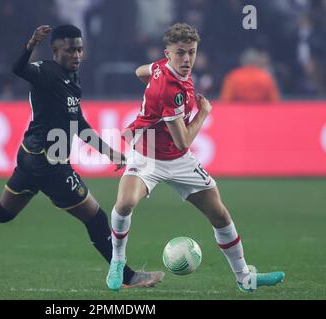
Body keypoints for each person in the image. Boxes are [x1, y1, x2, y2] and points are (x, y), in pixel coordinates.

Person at [0, 24, 164, 289]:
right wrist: (29, 46)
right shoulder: (46, 72)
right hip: (48, 163)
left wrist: (110, 153)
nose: (77, 55)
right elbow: (18, 69)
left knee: (3, 211)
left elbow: (79, 124)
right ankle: (128, 277)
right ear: (55, 50)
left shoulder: (72, 79)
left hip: (31, 156)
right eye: (71, 50)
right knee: (96, 218)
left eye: (80, 49)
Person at [106, 23, 285, 292]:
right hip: (148, 154)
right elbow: (184, 139)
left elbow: (140, 71)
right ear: (168, 54)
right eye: (181, 53)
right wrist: (203, 112)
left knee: (220, 215)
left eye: (191, 52)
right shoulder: (170, 89)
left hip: (180, 161)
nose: (187, 59)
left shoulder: (164, 68)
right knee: (125, 202)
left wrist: (150, 98)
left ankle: (244, 277)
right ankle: (118, 261)